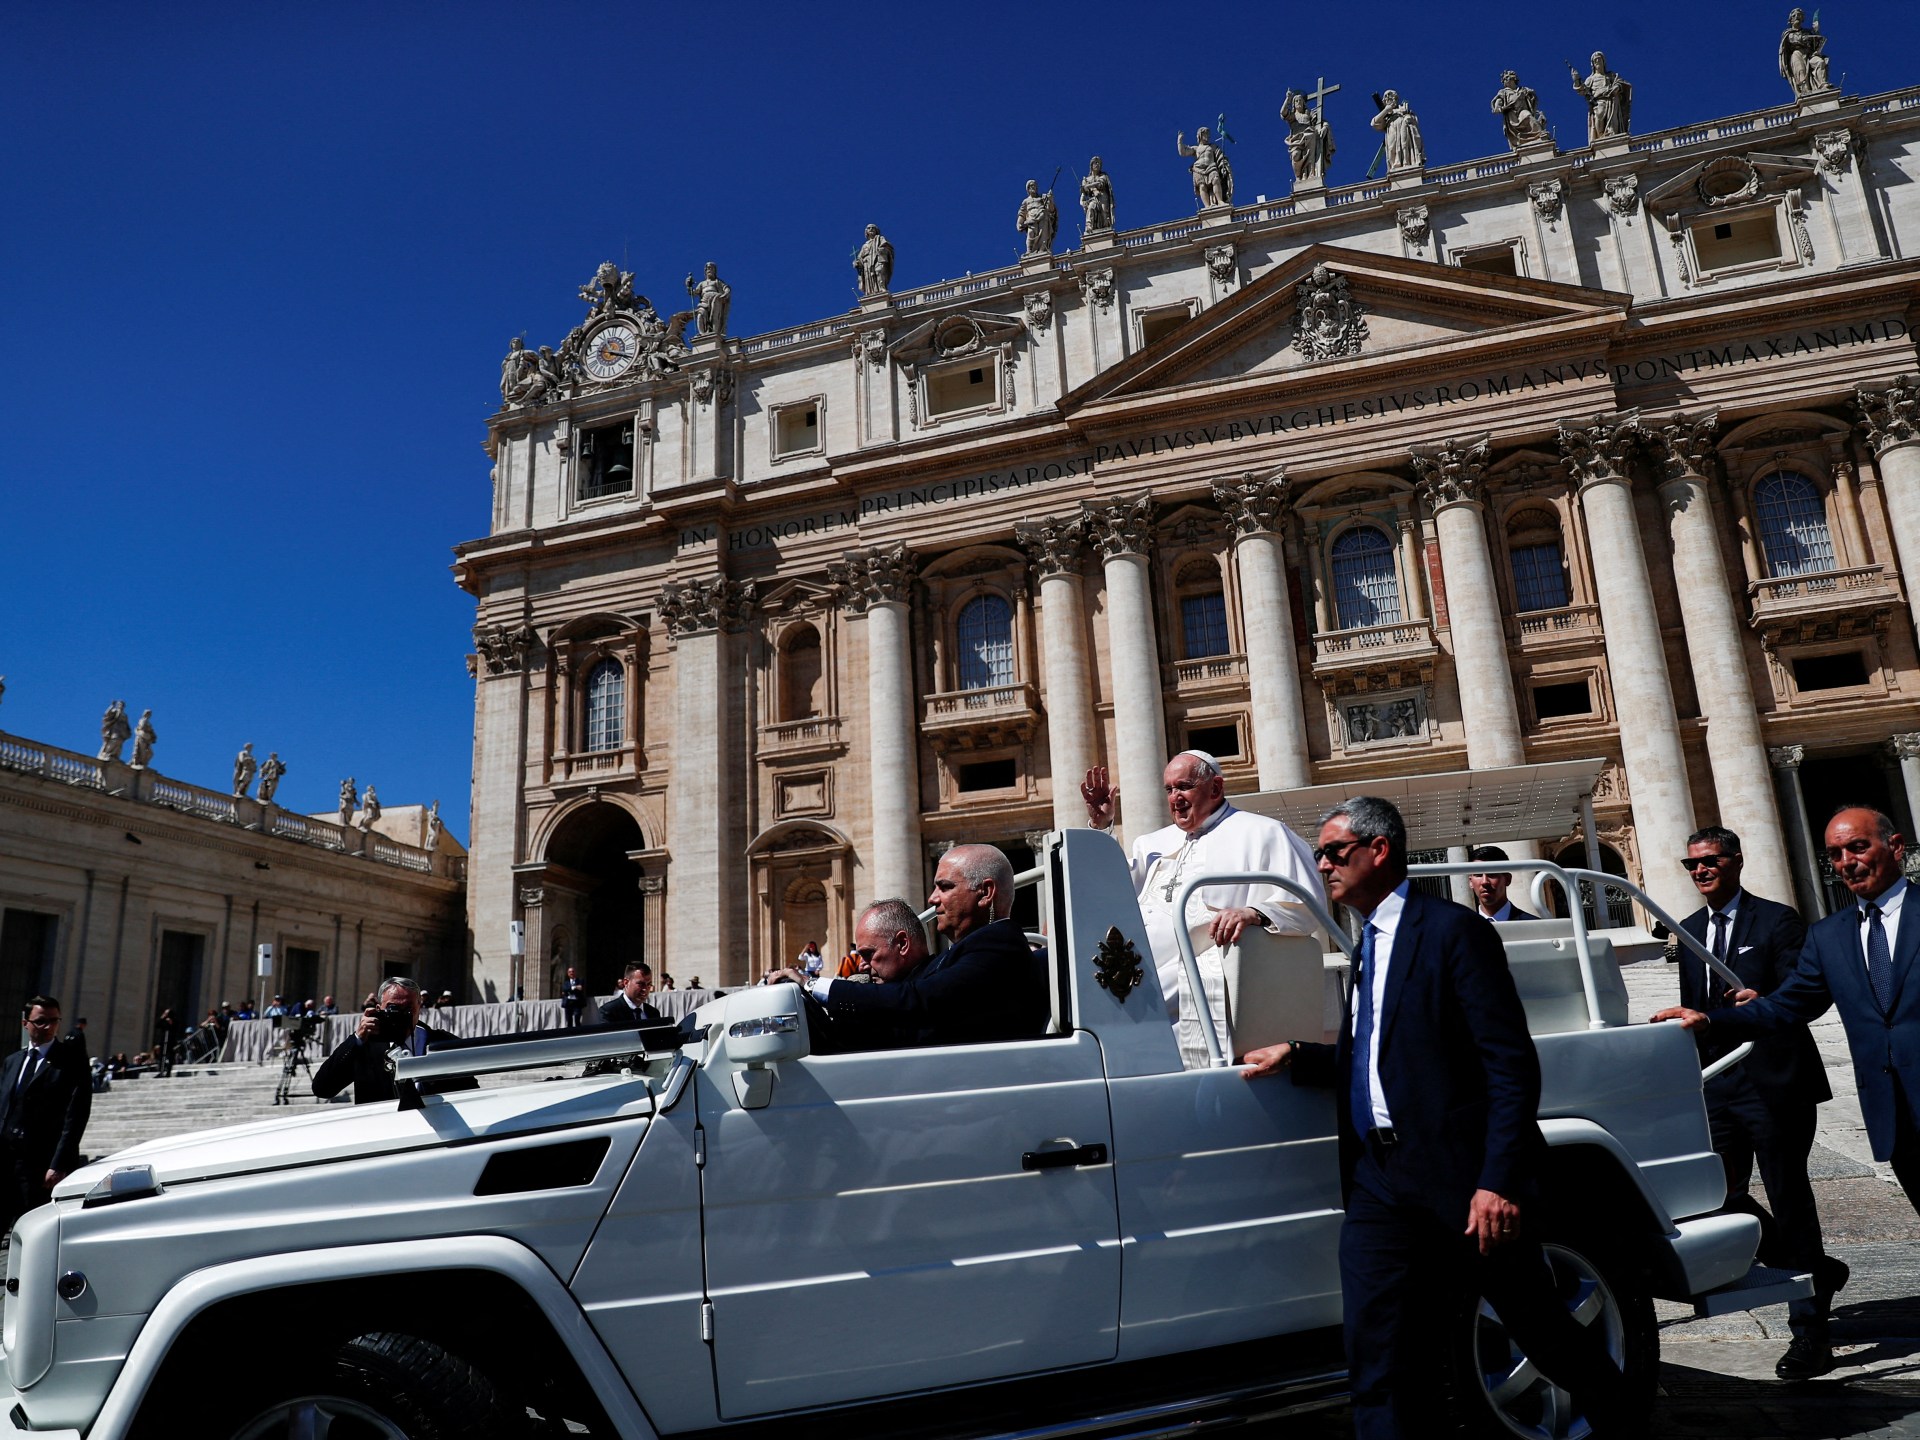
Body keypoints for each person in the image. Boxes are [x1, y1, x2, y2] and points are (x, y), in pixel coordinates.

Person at [1243, 797, 1627, 1438]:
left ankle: (1618, 1417)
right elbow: (1384, 1051)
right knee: (1378, 1353)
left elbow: (1510, 1066)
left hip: (1461, 1178)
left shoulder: (1452, 932)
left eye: (1334, 852)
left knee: (1539, 1328)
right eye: (1318, 855)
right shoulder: (1366, 942)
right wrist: (1302, 1058)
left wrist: (1497, 1180)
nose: (1322, 866)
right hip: (1379, 1181)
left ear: (1379, 850)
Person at [1665, 824, 1844, 1378]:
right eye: (1691, 864)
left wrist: (1761, 998)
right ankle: (1809, 1265)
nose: (1700, 871)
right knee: (1715, 1195)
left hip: (1775, 1081)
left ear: (1736, 861)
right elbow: (1694, 1012)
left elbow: (1801, 992)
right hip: (1719, 1085)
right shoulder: (1690, 931)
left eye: (1710, 860)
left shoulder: (1778, 920)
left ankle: (1810, 1333)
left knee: (1790, 1196)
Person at [1081, 751, 1324, 1067]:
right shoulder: (1150, 843)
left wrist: (1254, 912)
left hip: (1192, 967)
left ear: (1216, 788)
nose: (1175, 798)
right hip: (1128, 958)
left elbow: (1308, 900)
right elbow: (1110, 893)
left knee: (1116, 1015)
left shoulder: (1263, 832)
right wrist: (1102, 828)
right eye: (1169, 789)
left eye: (1183, 786)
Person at [770, 846, 1047, 1050]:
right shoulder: (968, 951)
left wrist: (811, 985)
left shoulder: (999, 946)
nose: (932, 898)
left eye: (945, 887)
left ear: (985, 893)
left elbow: (918, 1000)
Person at [0, 997, 91, 1234]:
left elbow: (76, 1115)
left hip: (40, 1166)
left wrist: (59, 1163)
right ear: (25, 1023)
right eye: (41, 1021)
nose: (48, 1026)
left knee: (31, 1232)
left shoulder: (72, 1062)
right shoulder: (12, 1062)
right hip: (6, 1159)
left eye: (53, 1021)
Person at [313, 978, 469, 1105]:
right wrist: (357, 1039)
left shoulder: (442, 1043)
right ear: (379, 1008)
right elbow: (323, 1089)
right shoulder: (365, 1046)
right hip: (382, 1132)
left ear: (419, 1008)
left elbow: (469, 1094)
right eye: (393, 1008)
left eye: (408, 1009)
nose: (400, 1015)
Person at [1570, 52, 1631, 143]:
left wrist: (1617, 87)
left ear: (1603, 62)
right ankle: (1600, 137)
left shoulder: (1610, 75)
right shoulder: (1591, 78)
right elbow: (1582, 90)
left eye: (1599, 59)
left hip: (1612, 100)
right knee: (1599, 117)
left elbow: (1621, 83)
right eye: (1595, 61)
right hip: (1599, 102)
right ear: (1593, 64)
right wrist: (1576, 80)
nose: (1597, 62)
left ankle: (1611, 135)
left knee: (1613, 120)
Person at [1466, 845, 1537, 922]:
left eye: (1492, 874)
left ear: (1508, 879)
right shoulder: (1462, 930)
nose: (1485, 882)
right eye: (1478, 875)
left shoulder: (1535, 926)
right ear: (1470, 882)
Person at [1175, 127, 1233, 208]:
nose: (1208, 136)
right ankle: (1207, 206)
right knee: (1202, 186)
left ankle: (1220, 201)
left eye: (1208, 134)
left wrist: (1223, 165)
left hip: (1211, 166)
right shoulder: (1196, 148)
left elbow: (1221, 157)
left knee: (1216, 180)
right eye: (1206, 134)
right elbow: (1183, 152)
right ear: (1200, 135)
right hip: (1198, 169)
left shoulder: (1213, 146)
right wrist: (1179, 140)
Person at [1490, 70, 1549, 149]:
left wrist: (1531, 94)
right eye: (1503, 80)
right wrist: (1503, 108)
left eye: (1505, 79)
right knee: (1526, 117)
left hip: (1522, 111)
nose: (1504, 81)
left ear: (1512, 78)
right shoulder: (1503, 92)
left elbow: (1533, 99)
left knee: (1528, 116)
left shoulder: (1523, 89)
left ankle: (1540, 134)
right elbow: (1496, 108)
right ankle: (1525, 140)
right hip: (1512, 115)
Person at [1370, 90, 1425, 172]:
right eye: (1386, 97)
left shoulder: (1404, 110)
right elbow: (1374, 123)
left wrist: (1408, 116)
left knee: (1405, 144)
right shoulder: (1386, 114)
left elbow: (1414, 122)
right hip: (1392, 129)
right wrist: (1385, 110)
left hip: (1405, 128)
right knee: (1393, 148)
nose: (1389, 98)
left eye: (1391, 96)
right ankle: (1396, 164)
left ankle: (1407, 163)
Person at [599, 962, 665, 1028]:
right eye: (641, 984)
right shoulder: (609, 1012)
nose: (645, 989)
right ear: (626, 982)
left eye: (648, 984)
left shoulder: (653, 1013)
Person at [683, 262, 730, 336]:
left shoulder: (717, 282)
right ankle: (702, 334)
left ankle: (714, 334)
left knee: (715, 317)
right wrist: (688, 285)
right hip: (704, 301)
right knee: (700, 314)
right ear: (705, 271)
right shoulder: (702, 283)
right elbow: (693, 293)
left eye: (711, 268)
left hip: (715, 299)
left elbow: (726, 288)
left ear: (714, 271)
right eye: (708, 268)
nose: (709, 270)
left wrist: (725, 294)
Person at [1015, 179, 1057, 255]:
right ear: (1028, 188)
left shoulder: (1042, 198)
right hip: (1031, 220)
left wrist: (1050, 200)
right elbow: (1022, 213)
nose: (1034, 187)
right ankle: (1029, 251)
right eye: (1031, 186)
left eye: (1035, 185)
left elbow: (1051, 210)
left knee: (1043, 235)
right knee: (1031, 233)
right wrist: (1019, 223)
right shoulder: (1026, 201)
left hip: (1043, 217)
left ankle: (1042, 250)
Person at [854, 224, 893, 295]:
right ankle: (870, 292)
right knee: (869, 277)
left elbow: (888, 247)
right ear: (866, 231)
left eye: (873, 228)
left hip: (878, 258)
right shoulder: (864, 245)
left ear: (876, 230)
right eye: (869, 228)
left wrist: (882, 250)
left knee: (879, 271)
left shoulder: (880, 238)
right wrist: (857, 263)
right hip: (867, 263)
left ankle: (882, 288)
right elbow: (860, 257)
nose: (871, 229)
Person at [1079, 156, 1114, 232]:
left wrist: (1088, 186)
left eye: (1099, 163)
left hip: (1102, 197)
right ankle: (1089, 227)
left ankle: (1106, 231)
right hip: (1093, 199)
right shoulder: (1087, 179)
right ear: (1091, 165)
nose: (1097, 164)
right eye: (1095, 163)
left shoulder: (1103, 176)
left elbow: (1100, 184)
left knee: (1104, 215)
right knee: (1091, 207)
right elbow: (1083, 191)